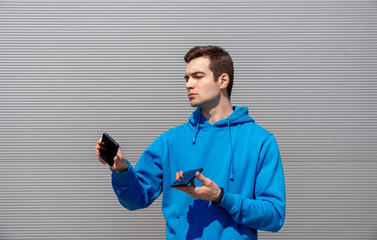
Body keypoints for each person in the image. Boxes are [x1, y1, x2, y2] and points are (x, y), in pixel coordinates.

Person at [95, 45, 286, 240]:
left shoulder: (261, 141)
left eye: (198, 76)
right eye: (187, 78)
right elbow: (135, 200)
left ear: (223, 80)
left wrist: (221, 197)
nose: (188, 84)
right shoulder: (170, 141)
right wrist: (121, 169)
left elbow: (274, 216)